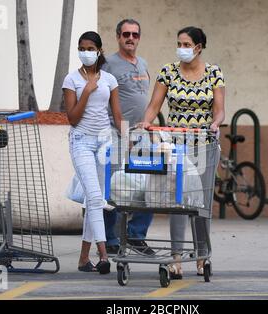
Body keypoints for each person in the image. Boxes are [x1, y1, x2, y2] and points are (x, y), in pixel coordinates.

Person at [140, 26, 225, 278]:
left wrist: (216, 122)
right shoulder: (168, 72)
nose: (182, 48)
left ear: (198, 47)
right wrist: (146, 122)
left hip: (205, 145)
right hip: (176, 146)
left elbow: (219, 108)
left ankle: (202, 255)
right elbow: (154, 105)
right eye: (179, 43)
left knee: (200, 203)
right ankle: (176, 257)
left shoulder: (214, 73)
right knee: (177, 201)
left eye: (186, 44)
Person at [62, 31, 123, 274]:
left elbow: (117, 116)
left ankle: (83, 258)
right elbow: (73, 118)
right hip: (81, 142)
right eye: (81, 48)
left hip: (104, 143)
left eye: (90, 48)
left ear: (98, 50)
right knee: (96, 198)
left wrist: (128, 138)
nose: (85, 52)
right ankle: (104, 254)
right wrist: (86, 91)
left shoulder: (109, 79)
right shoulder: (71, 80)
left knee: (93, 199)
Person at [100, 19, 155, 256]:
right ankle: (110, 239)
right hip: (116, 135)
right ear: (118, 37)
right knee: (113, 189)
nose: (130, 38)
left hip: (141, 136)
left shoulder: (142, 63)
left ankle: (135, 234)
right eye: (126, 34)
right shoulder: (109, 65)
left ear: (139, 38)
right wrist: (123, 133)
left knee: (151, 184)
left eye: (135, 34)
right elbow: (102, 101)